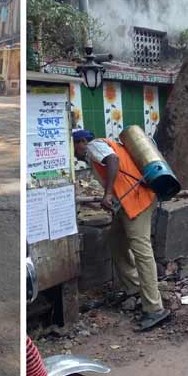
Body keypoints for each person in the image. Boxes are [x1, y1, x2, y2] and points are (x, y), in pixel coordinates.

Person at [73, 129, 170, 332]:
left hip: (137, 201)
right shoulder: (99, 149)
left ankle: (155, 308)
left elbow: (113, 160)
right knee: (116, 241)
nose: (73, 152)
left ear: (81, 141)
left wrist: (107, 194)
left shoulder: (94, 146)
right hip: (128, 202)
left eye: (73, 146)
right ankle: (133, 288)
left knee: (142, 251)